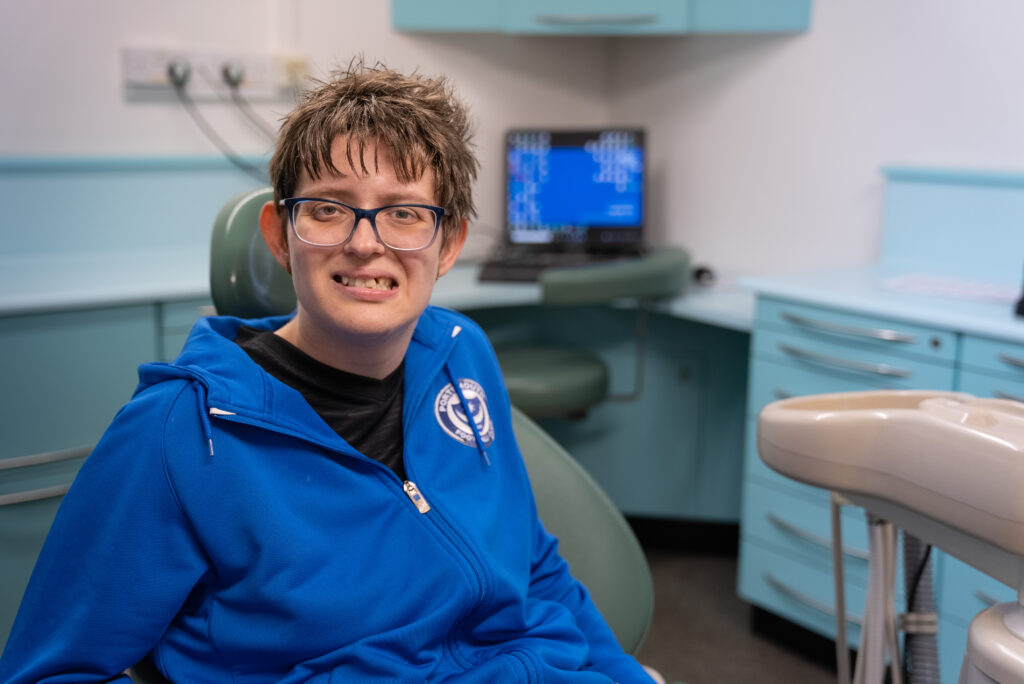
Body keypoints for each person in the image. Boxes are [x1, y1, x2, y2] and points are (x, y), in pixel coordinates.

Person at [0, 61, 656, 683]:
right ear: (280, 234)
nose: (365, 242)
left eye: (404, 212)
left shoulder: (463, 354)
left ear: (449, 242)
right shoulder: (178, 434)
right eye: (329, 208)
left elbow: (532, 563)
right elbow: (51, 669)